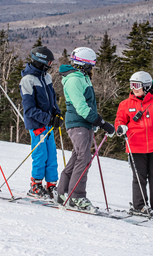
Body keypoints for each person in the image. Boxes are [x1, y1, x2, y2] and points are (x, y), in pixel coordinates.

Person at [56, 47, 115, 212]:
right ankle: (77, 197)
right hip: (78, 122)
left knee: (77, 158)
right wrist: (102, 122)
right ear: (85, 64)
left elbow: (89, 105)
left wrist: (95, 123)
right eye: (92, 65)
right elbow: (81, 108)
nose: (93, 68)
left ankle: (62, 193)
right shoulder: (75, 79)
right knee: (84, 158)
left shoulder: (83, 77)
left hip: (85, 123)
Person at [115, 71, 153, 219]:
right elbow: (119, 121)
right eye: (132, 85)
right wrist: (120, 128)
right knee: (139, 177)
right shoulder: (125, 104)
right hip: (135, 147)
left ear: (147, 86)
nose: (134, 88)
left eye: (137, 85)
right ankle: (139, 206)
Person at [20, 46, 62, 199]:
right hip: (37, 124)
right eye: (49, 62)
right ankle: (36, 185)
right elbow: (29, 109)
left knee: (52, 154)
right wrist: (47, 118)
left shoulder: (46, 77)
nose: (50, 66)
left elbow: (52, 100)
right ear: (41, 61)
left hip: (48, 124)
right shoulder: (27, 80)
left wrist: (57, 113)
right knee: (40, 154)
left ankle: (51, 185)